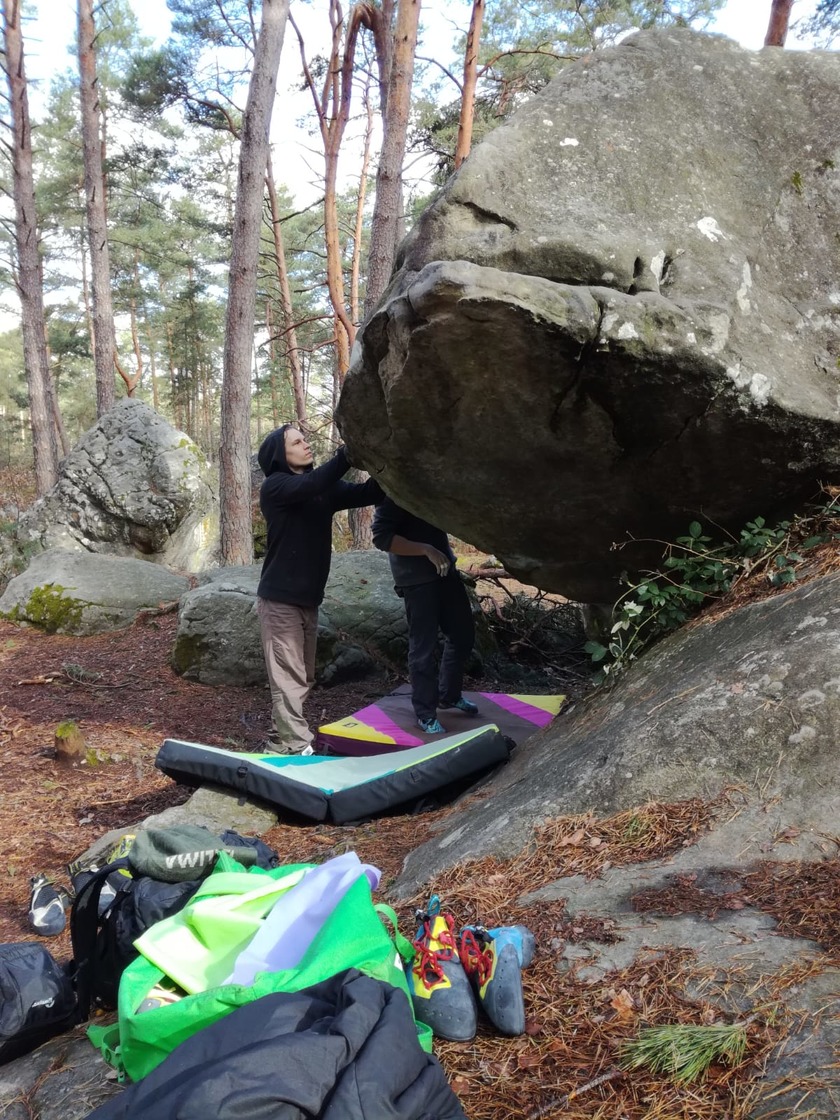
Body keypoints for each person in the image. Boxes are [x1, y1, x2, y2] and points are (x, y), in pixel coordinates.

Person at [257, 425, 383, 754]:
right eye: (297, 442)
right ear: (280, 455)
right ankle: (298, 747)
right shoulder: (276, 487)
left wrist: (389, 467)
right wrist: (346, 454)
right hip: (280, 600)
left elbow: (368, 494)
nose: (306, 444)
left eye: (305, 439)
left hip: (308, 601)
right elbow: (313, 482)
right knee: (289, 679)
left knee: (302, 678)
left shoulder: (322, 490)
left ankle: (277, 742)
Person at [372, 496, 478, 734]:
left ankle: (448, 696)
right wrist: (425, 549)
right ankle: (425, 714)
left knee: (462, 636)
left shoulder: (424, 485)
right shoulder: (394, 492)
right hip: (416, 580)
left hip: (445, 573)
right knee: (423, 647)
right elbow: (381, 537)